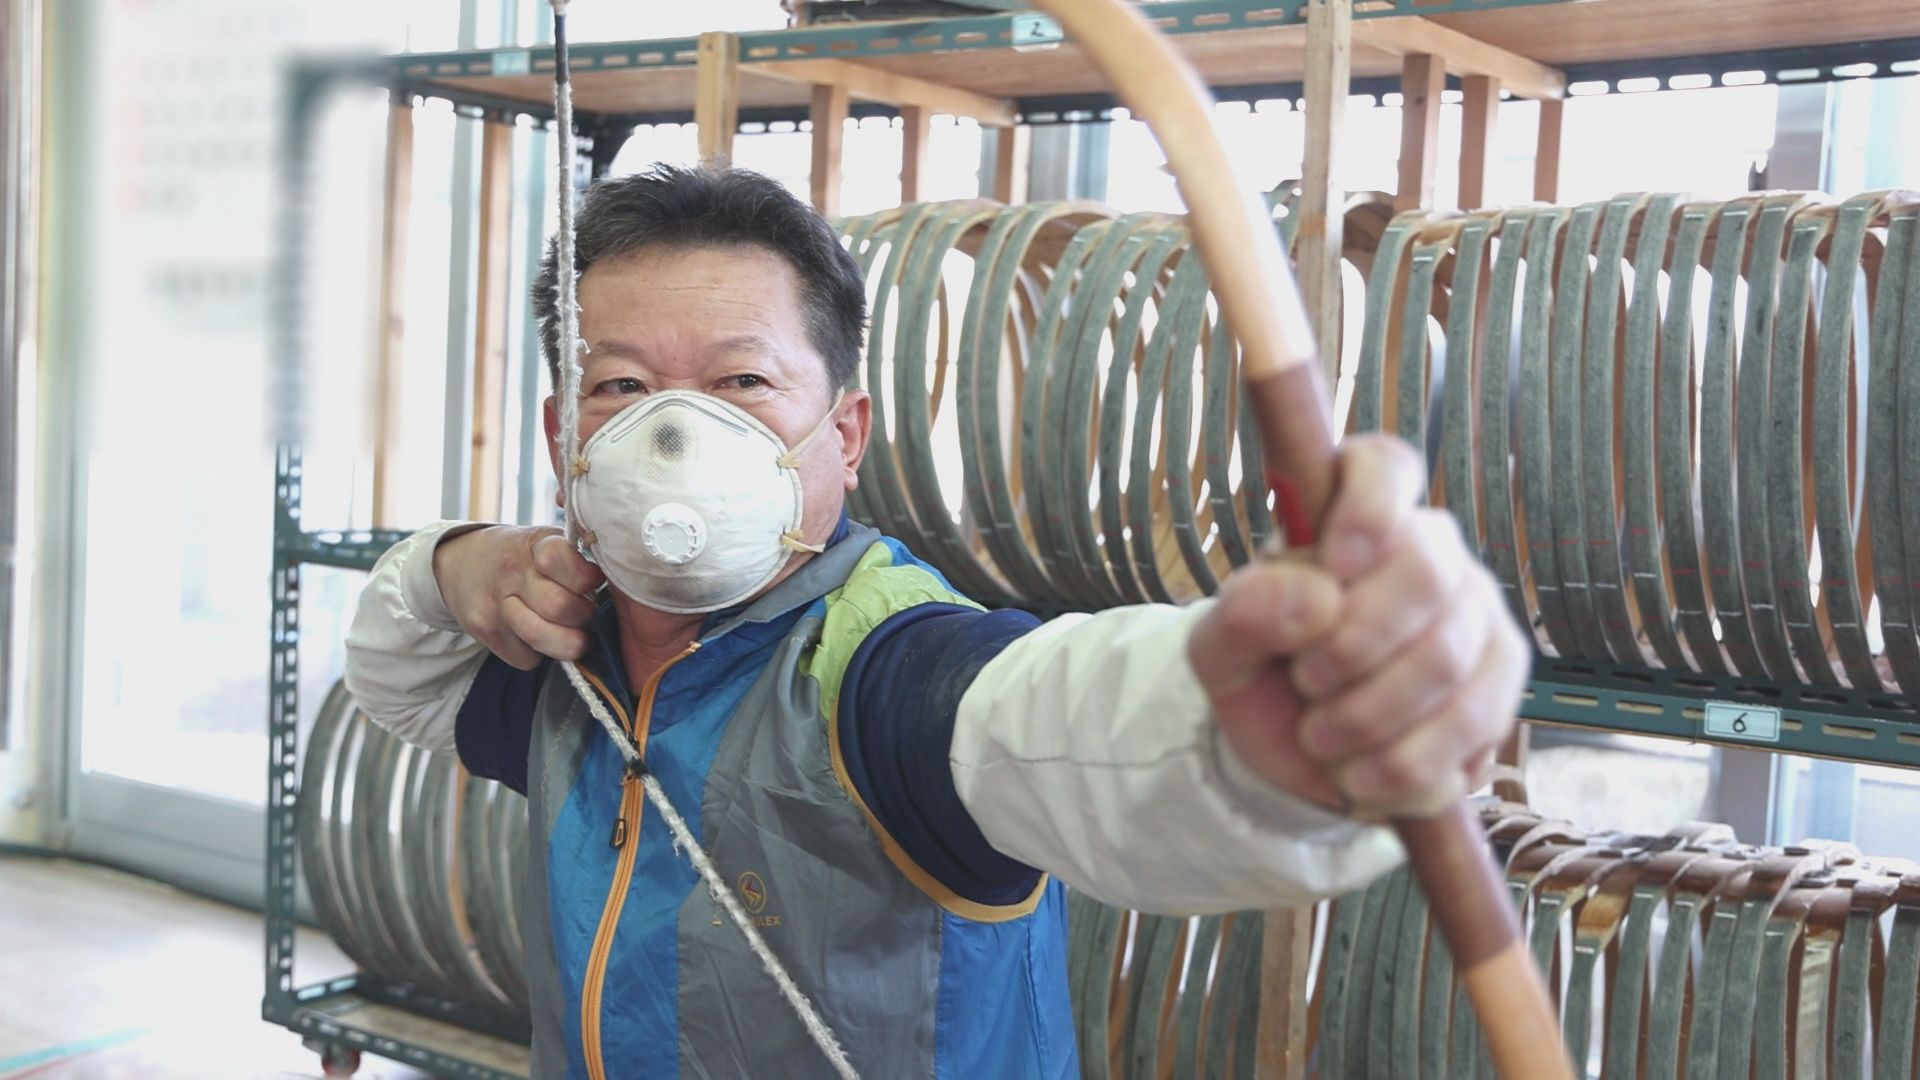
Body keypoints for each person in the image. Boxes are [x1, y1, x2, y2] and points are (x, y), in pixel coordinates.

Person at [345, 164, 1528, 1080]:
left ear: (844, 433)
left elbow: (1059, 726)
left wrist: (1264, 730)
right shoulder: (565, 654)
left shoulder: (888, 668)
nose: (675, 434)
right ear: (565, 435)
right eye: (622, 386)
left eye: (743, 383)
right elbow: (398, 674)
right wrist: (453, 566)